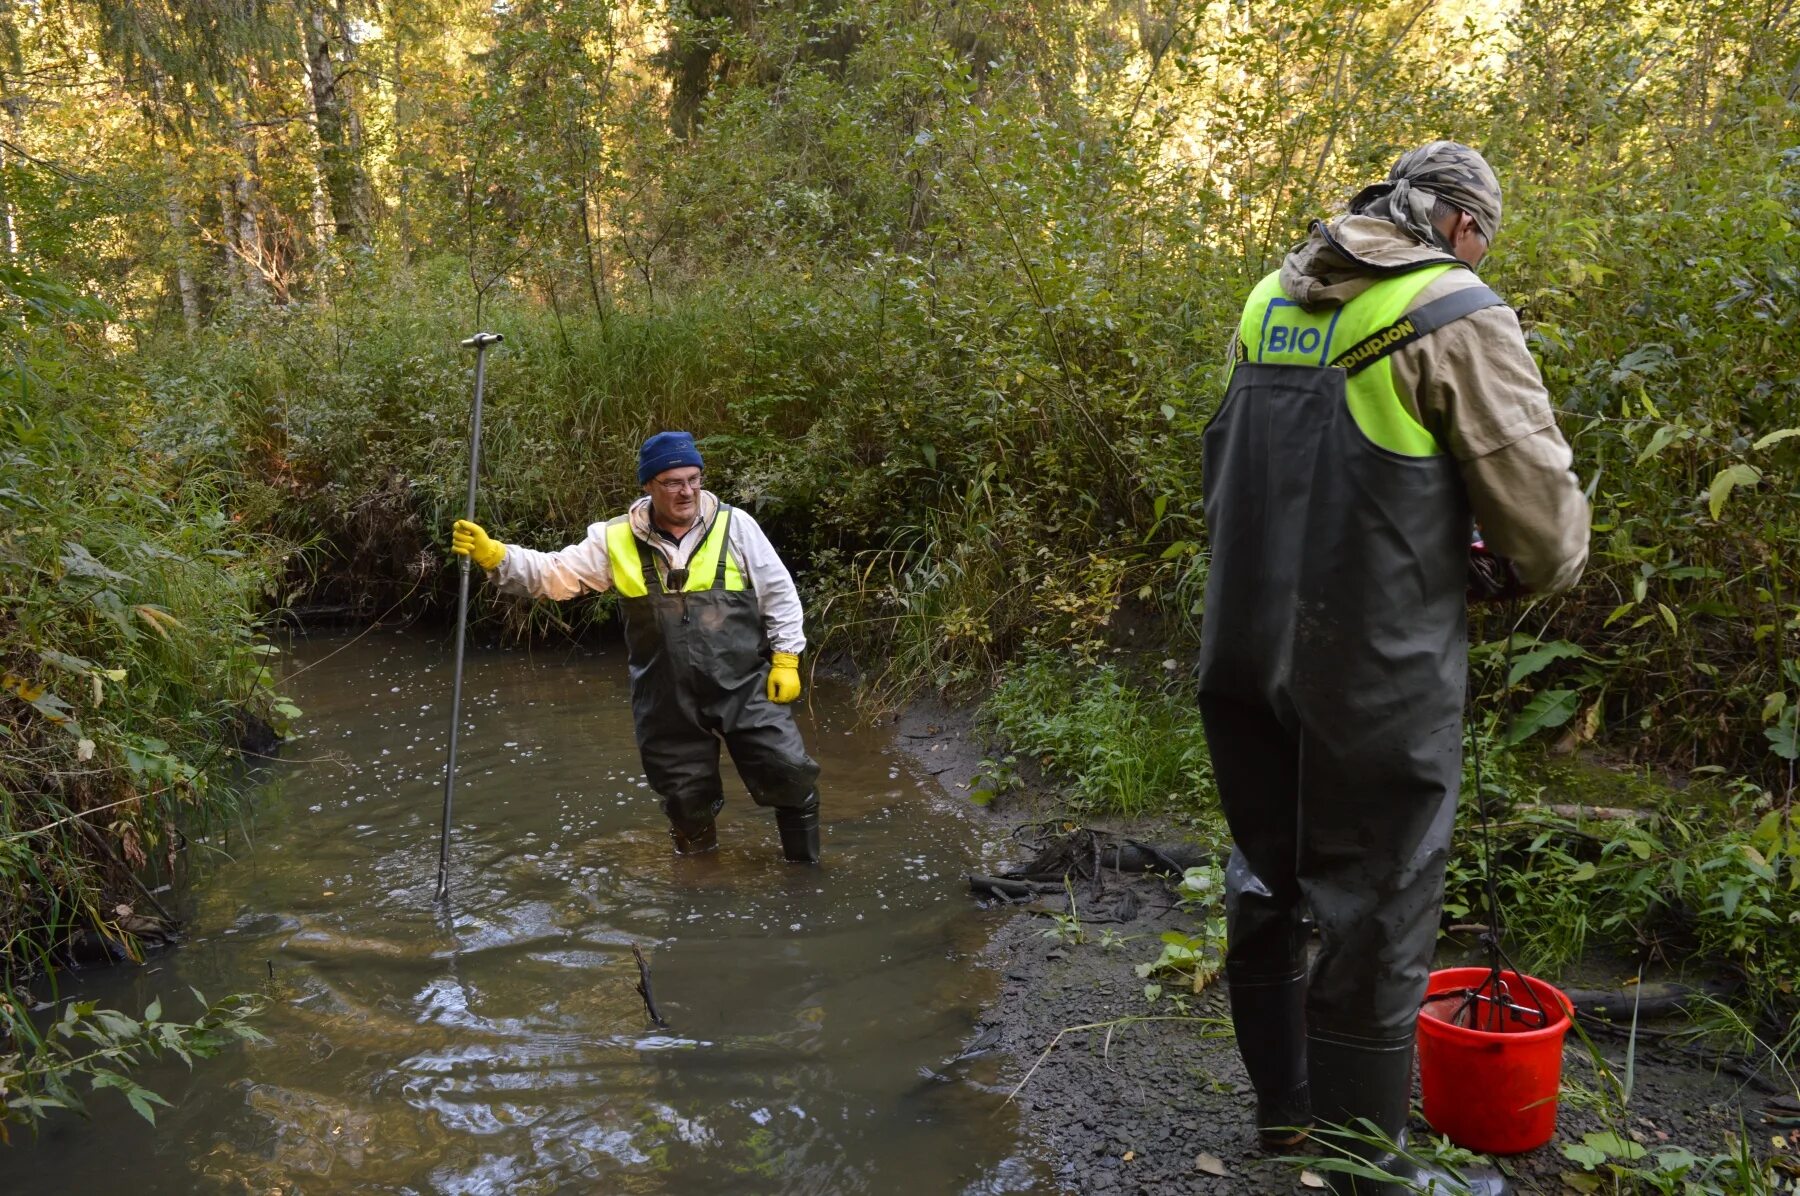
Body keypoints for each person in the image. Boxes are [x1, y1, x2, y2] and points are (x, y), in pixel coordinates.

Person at [1197, 142, 1588, 1193]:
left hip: (1242, 642)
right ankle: (1366, 1172)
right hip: (1371, 663)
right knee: (1380, 902)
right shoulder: (1452, 312)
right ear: (1460, 224)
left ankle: (1285, 1118)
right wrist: (1499, 563)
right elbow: (1546, 535)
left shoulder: (1267, 299)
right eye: (1485, 236)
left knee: (1266, 867)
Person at [450, 431, 822, 862]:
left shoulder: (736, 526)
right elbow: (554, 575)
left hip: (743, 683)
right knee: (685, 803)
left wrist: (787, 659)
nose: (687, 491)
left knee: (789, 774)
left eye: (694, 479)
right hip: (664, 697)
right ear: (648, 485)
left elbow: (779, 595)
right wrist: (495, 555)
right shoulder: (614, 538)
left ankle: (805, 874)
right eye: (672, 482)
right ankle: (699, 889)